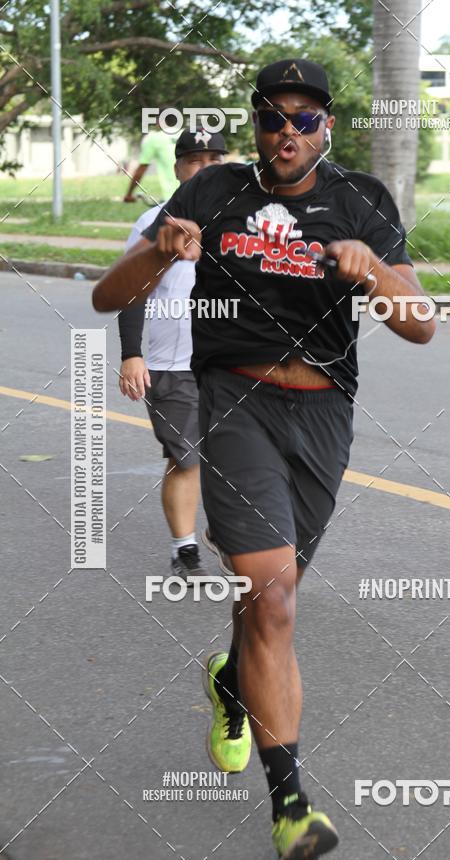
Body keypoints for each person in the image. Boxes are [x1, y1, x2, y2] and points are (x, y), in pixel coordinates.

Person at [93, 58, 435, 860]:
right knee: (273, 599)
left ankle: (230, 682)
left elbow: (420, 321)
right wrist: (161, 254)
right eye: (274, 116)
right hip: (237, 403)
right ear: (256, 124)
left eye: (305, 118)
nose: (288, 131)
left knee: (269, 599)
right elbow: (110, 296)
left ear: (328, 127)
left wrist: (375, 272)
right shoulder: (211, 194)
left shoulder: (361, 202)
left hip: (324, 415)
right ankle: (291, 806)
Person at [118, 130, 228, 577]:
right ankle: (185, 550)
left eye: (212, 159)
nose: (203, 167)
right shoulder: (152, 224)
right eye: (193, 160)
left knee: (245, 453)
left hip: (233, 362)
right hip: (171, 363)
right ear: (178, 168)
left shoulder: (246, 226)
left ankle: (229, 531)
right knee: (186, 457)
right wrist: (131, 354)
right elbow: (132, 288)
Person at [123, 120, 178, 203]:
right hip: (192, 195)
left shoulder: (154, 138)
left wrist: (129, 194)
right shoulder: (188, 134)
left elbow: (141, 170)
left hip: (169, 197)